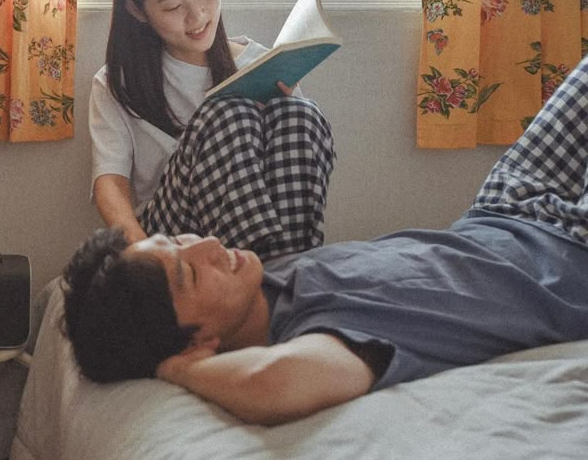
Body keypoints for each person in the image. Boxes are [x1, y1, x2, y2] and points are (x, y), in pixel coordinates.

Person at [64, 54, 588, 425]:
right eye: (190, 272)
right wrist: (176, 369)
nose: (206, 244)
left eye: (178, 240)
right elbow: (276, 384)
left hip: (503, 207)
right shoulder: (320, 334)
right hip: (572, 257)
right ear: (200, 342)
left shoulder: (279, 270)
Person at [88, 0, 335, 260]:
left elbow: (296, 162)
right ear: (137, 11)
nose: (197, 15)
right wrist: (143, 250)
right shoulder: (118, 83)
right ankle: (269, 273)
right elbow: (110, 181)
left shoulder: (256, 60)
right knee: (227, 114)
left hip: (270, 226)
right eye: (174, 6)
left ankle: (285, 269)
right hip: (173, 233)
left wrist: (278, 110)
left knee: (300, 114)